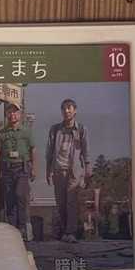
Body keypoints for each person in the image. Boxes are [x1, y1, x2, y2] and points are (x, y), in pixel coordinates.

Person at [0, 104, 35, 240]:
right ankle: (13, 231)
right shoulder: (2, 132)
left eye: (15, 112)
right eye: (9, 112)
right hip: (7, 169)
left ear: (19, 114)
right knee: (9, 199)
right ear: (6, 115)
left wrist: (34, 168)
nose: (12, 115)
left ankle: (23, 229)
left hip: (22, 168)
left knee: (20, 195)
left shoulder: (26, 131)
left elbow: (33, 150)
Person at [47, 98, 89, 243]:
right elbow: (49, 151)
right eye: (64, 108)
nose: (66, 111)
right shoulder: (55, 129)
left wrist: (87, 168)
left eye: (69, 108)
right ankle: (65, 231)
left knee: (71, 202)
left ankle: (71, 232)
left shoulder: (81, 129)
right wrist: (48, 170)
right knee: (61, 203)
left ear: (75, 111)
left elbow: (86, 150)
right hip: (58, 169)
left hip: (74, 171)